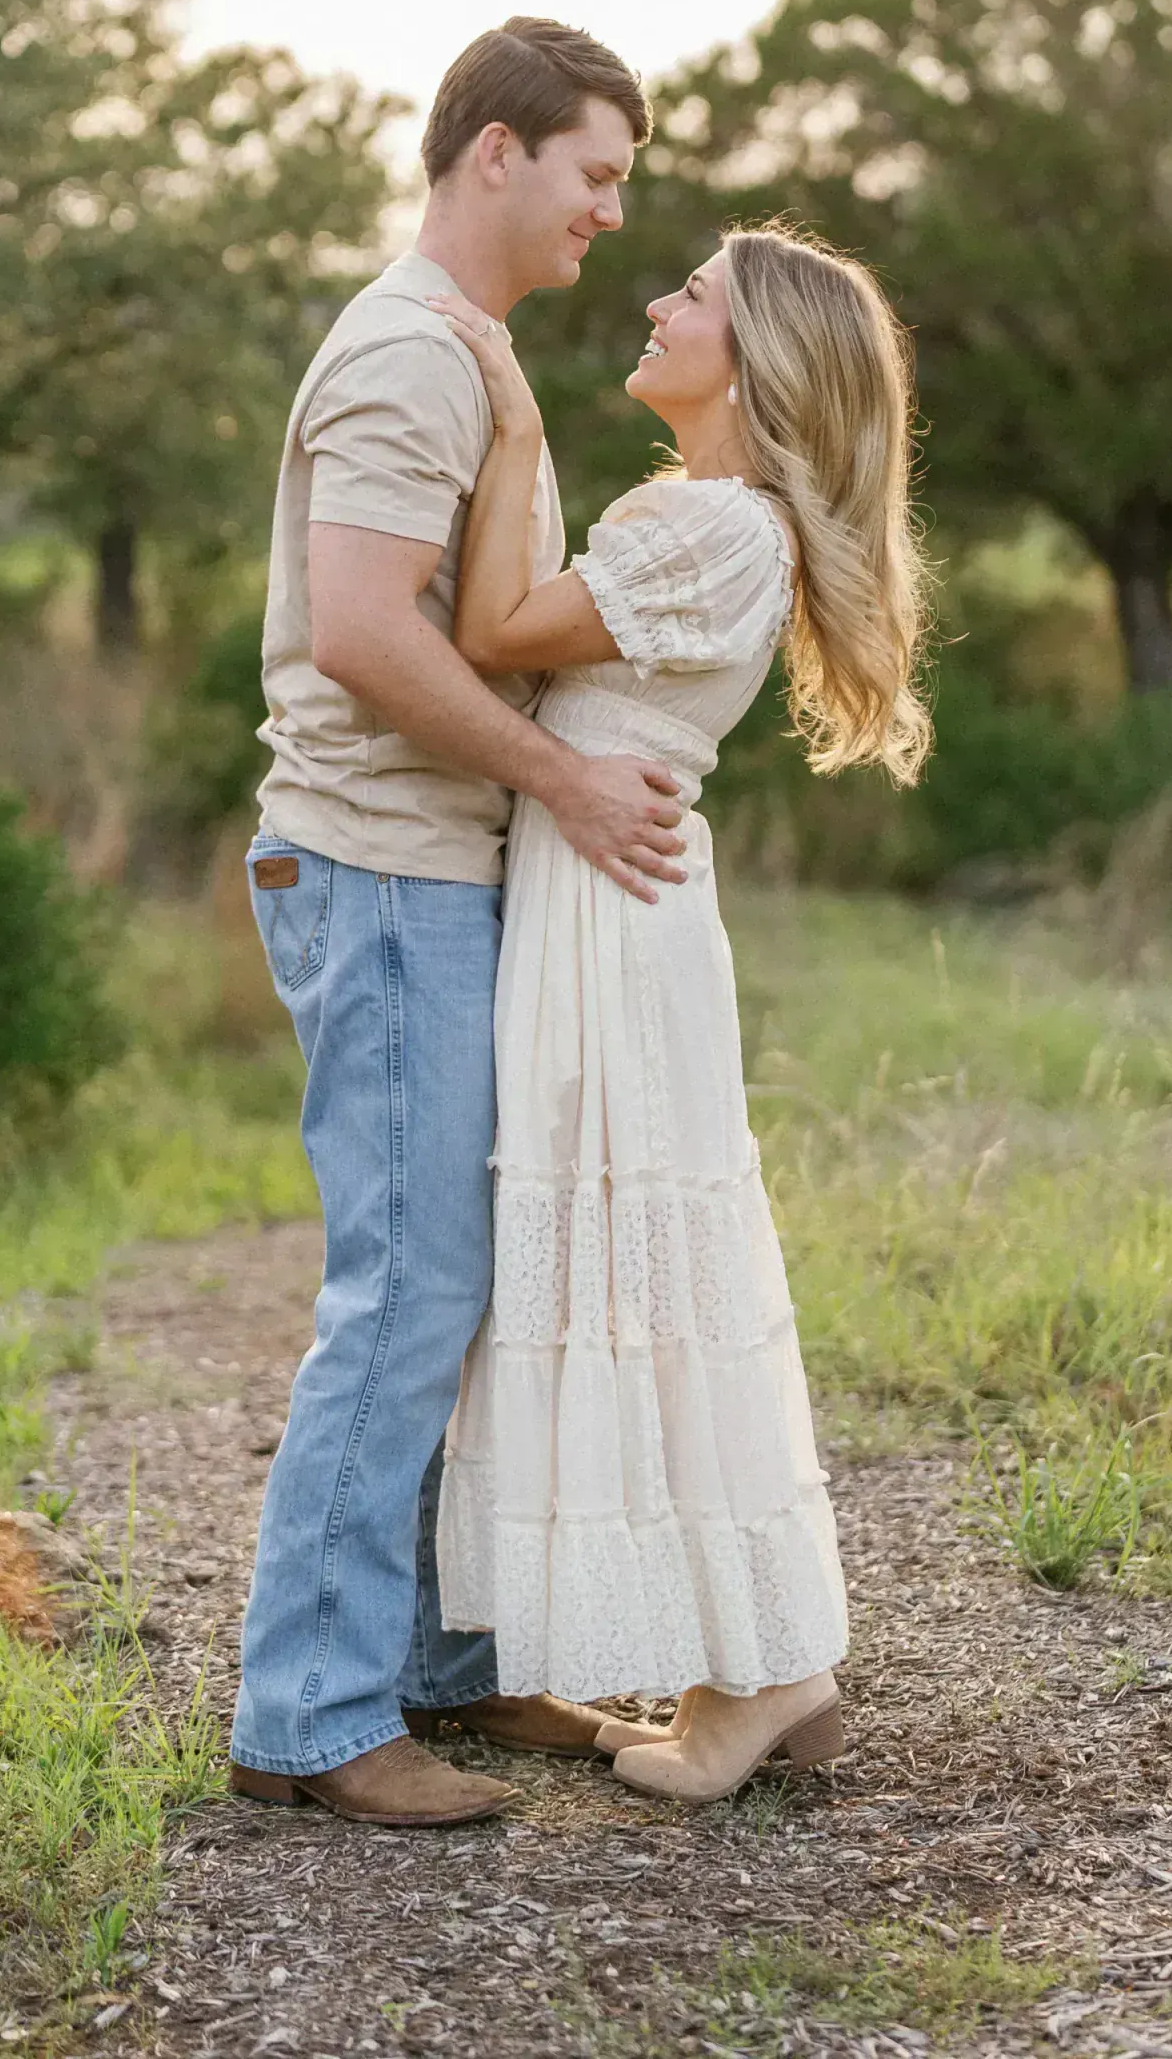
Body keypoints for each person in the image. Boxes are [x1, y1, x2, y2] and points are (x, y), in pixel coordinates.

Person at [227, 17, 689, 1830]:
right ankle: (315, 1721)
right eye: (597, 174)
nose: (609, 215)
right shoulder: (411, 358)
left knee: (452, 1278)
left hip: (429, 872)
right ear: (494, 151)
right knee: (406, 1286)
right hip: (381, 867)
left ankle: (436, 1668)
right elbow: (359, 629)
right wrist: (565, 784)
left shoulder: (467, 352)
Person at [431, 223, 931, 1805]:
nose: (657, 302)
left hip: (612, 919)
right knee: (645, 1277)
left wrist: (511, 428)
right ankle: (757, 1661)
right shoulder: (713, 520)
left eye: (694, 295)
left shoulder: (717, 525)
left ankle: (765, 1673)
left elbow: (494, 635)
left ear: (758, 358)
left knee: (650, 1281)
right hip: (607, 898)